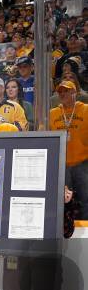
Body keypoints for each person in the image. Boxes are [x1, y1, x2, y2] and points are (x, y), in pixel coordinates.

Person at [49, 81, 88, 219]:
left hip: (83, 163)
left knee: (85, 199)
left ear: (75, 92)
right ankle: (67, 229)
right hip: (61, 165)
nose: (62, 94)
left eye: (66, 91)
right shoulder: (53, 113)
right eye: (60, 91)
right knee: (63, 202)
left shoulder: (86, 109)